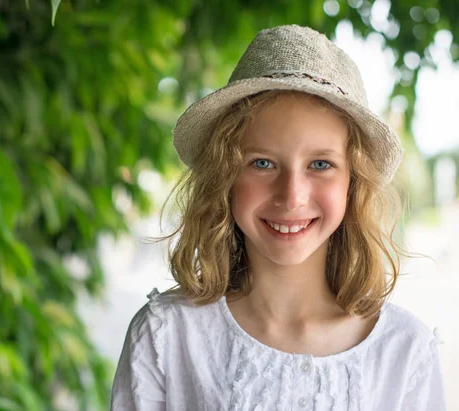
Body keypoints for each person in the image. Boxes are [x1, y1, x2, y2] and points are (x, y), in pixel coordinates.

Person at [110, 24, 446, 410]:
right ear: (226, 175)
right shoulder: (166, 336)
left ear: (353, 184)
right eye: (263, 162)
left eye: (321, 164)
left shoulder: (404, 353)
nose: (291, 195)